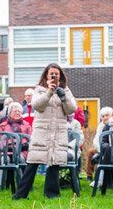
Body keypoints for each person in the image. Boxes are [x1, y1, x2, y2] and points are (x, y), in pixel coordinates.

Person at [13, 63, 77, 199]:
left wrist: (63, 97)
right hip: (42, 132)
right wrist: (49, 92)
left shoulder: (66, 90)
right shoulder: (40, 90)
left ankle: (52, 194)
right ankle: (20, 195)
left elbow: (71, 109)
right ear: (47, 75)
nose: (54, 75)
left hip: (58, 132)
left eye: (56, 73)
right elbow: (37, 106)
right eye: (51, 73)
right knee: (33, 163)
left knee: (55, 163)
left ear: (60, 75)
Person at [86, 106, 112, 181]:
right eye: (103, 116)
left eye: (107, 115)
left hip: (109, 148)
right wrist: (99, 149)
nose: (105, 118)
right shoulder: (100, 126)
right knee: (90, 151)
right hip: (100, 148)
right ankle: (89, 175)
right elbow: (96, 139)